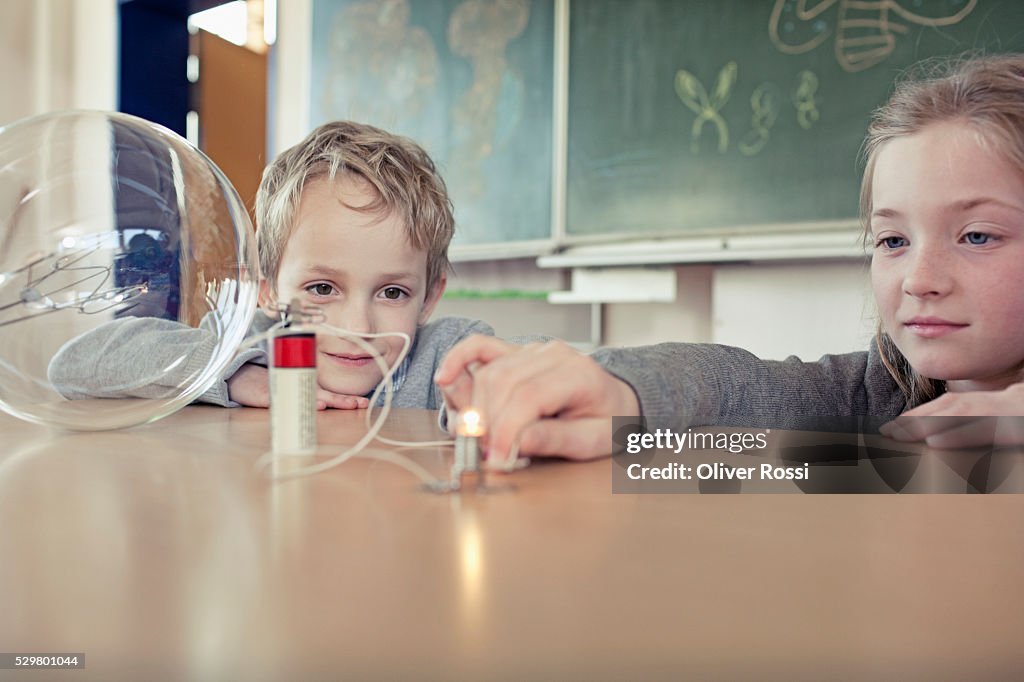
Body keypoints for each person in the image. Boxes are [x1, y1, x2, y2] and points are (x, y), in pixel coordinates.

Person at [436, 53, 1024, 462]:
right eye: (892, 241)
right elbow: (746, 385)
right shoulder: (880, 391)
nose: (919, 280)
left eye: (977, 236)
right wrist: (618, 390)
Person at [50, 120, 496, 411]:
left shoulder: (446, 356)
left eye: (393, 292)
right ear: (266, 288)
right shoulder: (249, 344)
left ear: (428, 297)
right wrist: (235, 374)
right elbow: (73, 365)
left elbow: (523, 369)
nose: (357, 326)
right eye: (322, 288)